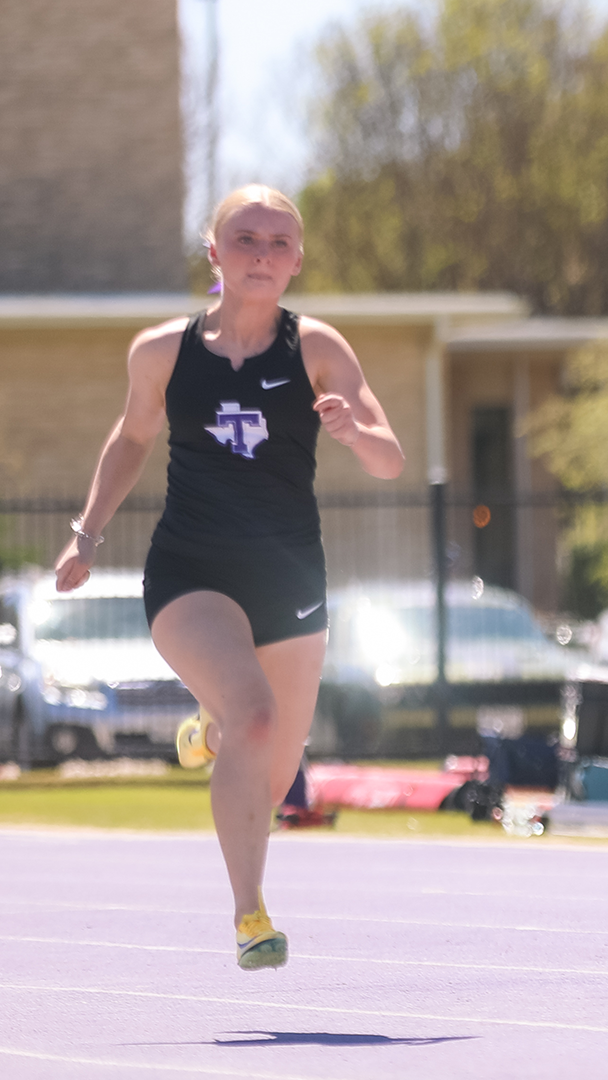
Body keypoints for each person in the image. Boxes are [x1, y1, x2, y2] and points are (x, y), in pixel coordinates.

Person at [54, 185, 405, 970]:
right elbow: (130, 438)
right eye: (245, 238)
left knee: (272, 770)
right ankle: (250, 913)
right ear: (213, 253)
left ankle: (209, 732)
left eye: (279, 243)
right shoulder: (161, 352)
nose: (262, 254)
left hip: (290, 579)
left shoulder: (317, 348)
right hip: (191, 571)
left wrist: (353, 433)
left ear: (297, 262)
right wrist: (86, 533)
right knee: (253, 717)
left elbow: (392, 460)